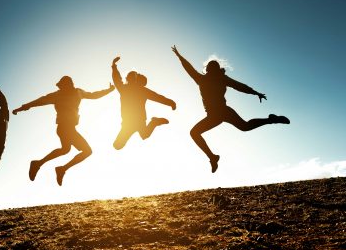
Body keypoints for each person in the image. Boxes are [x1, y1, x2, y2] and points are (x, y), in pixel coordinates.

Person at [172, 45, 290, 173]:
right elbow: (188, 67)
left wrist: (255, 92)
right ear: (209, 70)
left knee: (242, 127)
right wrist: (179, 56)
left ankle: (270, 120)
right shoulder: (209, 79)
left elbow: (239, 86)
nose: (212, 72)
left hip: (221, 112)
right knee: (241, 127)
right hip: (217, 114)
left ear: (213, 70)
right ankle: (213, 157)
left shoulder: (211, 79)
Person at [13, 76, 114, 186]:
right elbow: (39, 101)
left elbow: (93, 95)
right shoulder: (57, 95)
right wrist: (22, 108)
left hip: (68, 128)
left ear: (71, 84)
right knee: (86, 151)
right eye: (62, 86)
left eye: (67, 84)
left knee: (65, 149)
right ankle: (59, 168)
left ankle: (40, 164)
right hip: (64, 127)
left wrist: (108, 90)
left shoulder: (78, 92)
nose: (64, 87)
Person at [111, 56, 176, 150]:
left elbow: (157, 97)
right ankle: (155, 122)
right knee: (118, 145)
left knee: (144, 135)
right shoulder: (124, 88)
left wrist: (170, 102)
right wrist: (114, 66)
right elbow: (116, 79)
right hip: (128, 122)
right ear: (129, 79)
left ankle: (155, 122)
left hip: (137, 121)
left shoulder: (140, 90)